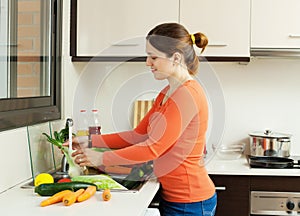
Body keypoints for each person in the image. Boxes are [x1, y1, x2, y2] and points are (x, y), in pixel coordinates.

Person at [69, 22, 217, 216]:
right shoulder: (167, 93)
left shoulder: (187, 95)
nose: (148, 62)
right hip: (176, 197)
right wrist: (89, 141)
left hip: (190, 201)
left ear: (176, 58)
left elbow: (152, 147)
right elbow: (138, 135)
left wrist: (100, 158)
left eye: (153, 57)